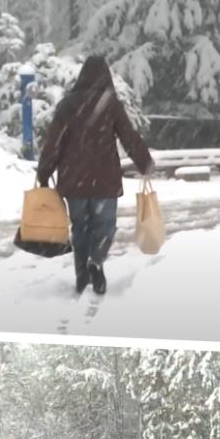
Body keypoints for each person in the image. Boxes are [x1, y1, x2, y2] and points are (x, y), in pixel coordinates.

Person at [36, 55, 154, 295]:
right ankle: (96, 262)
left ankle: (82, 274)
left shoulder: (67, 104)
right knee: (105, 225)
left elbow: (53, 142)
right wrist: (145, 162)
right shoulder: (111, 104)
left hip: (73, 179)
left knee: (80, 228)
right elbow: (129, 137)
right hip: (104, 180)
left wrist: (45, 171)